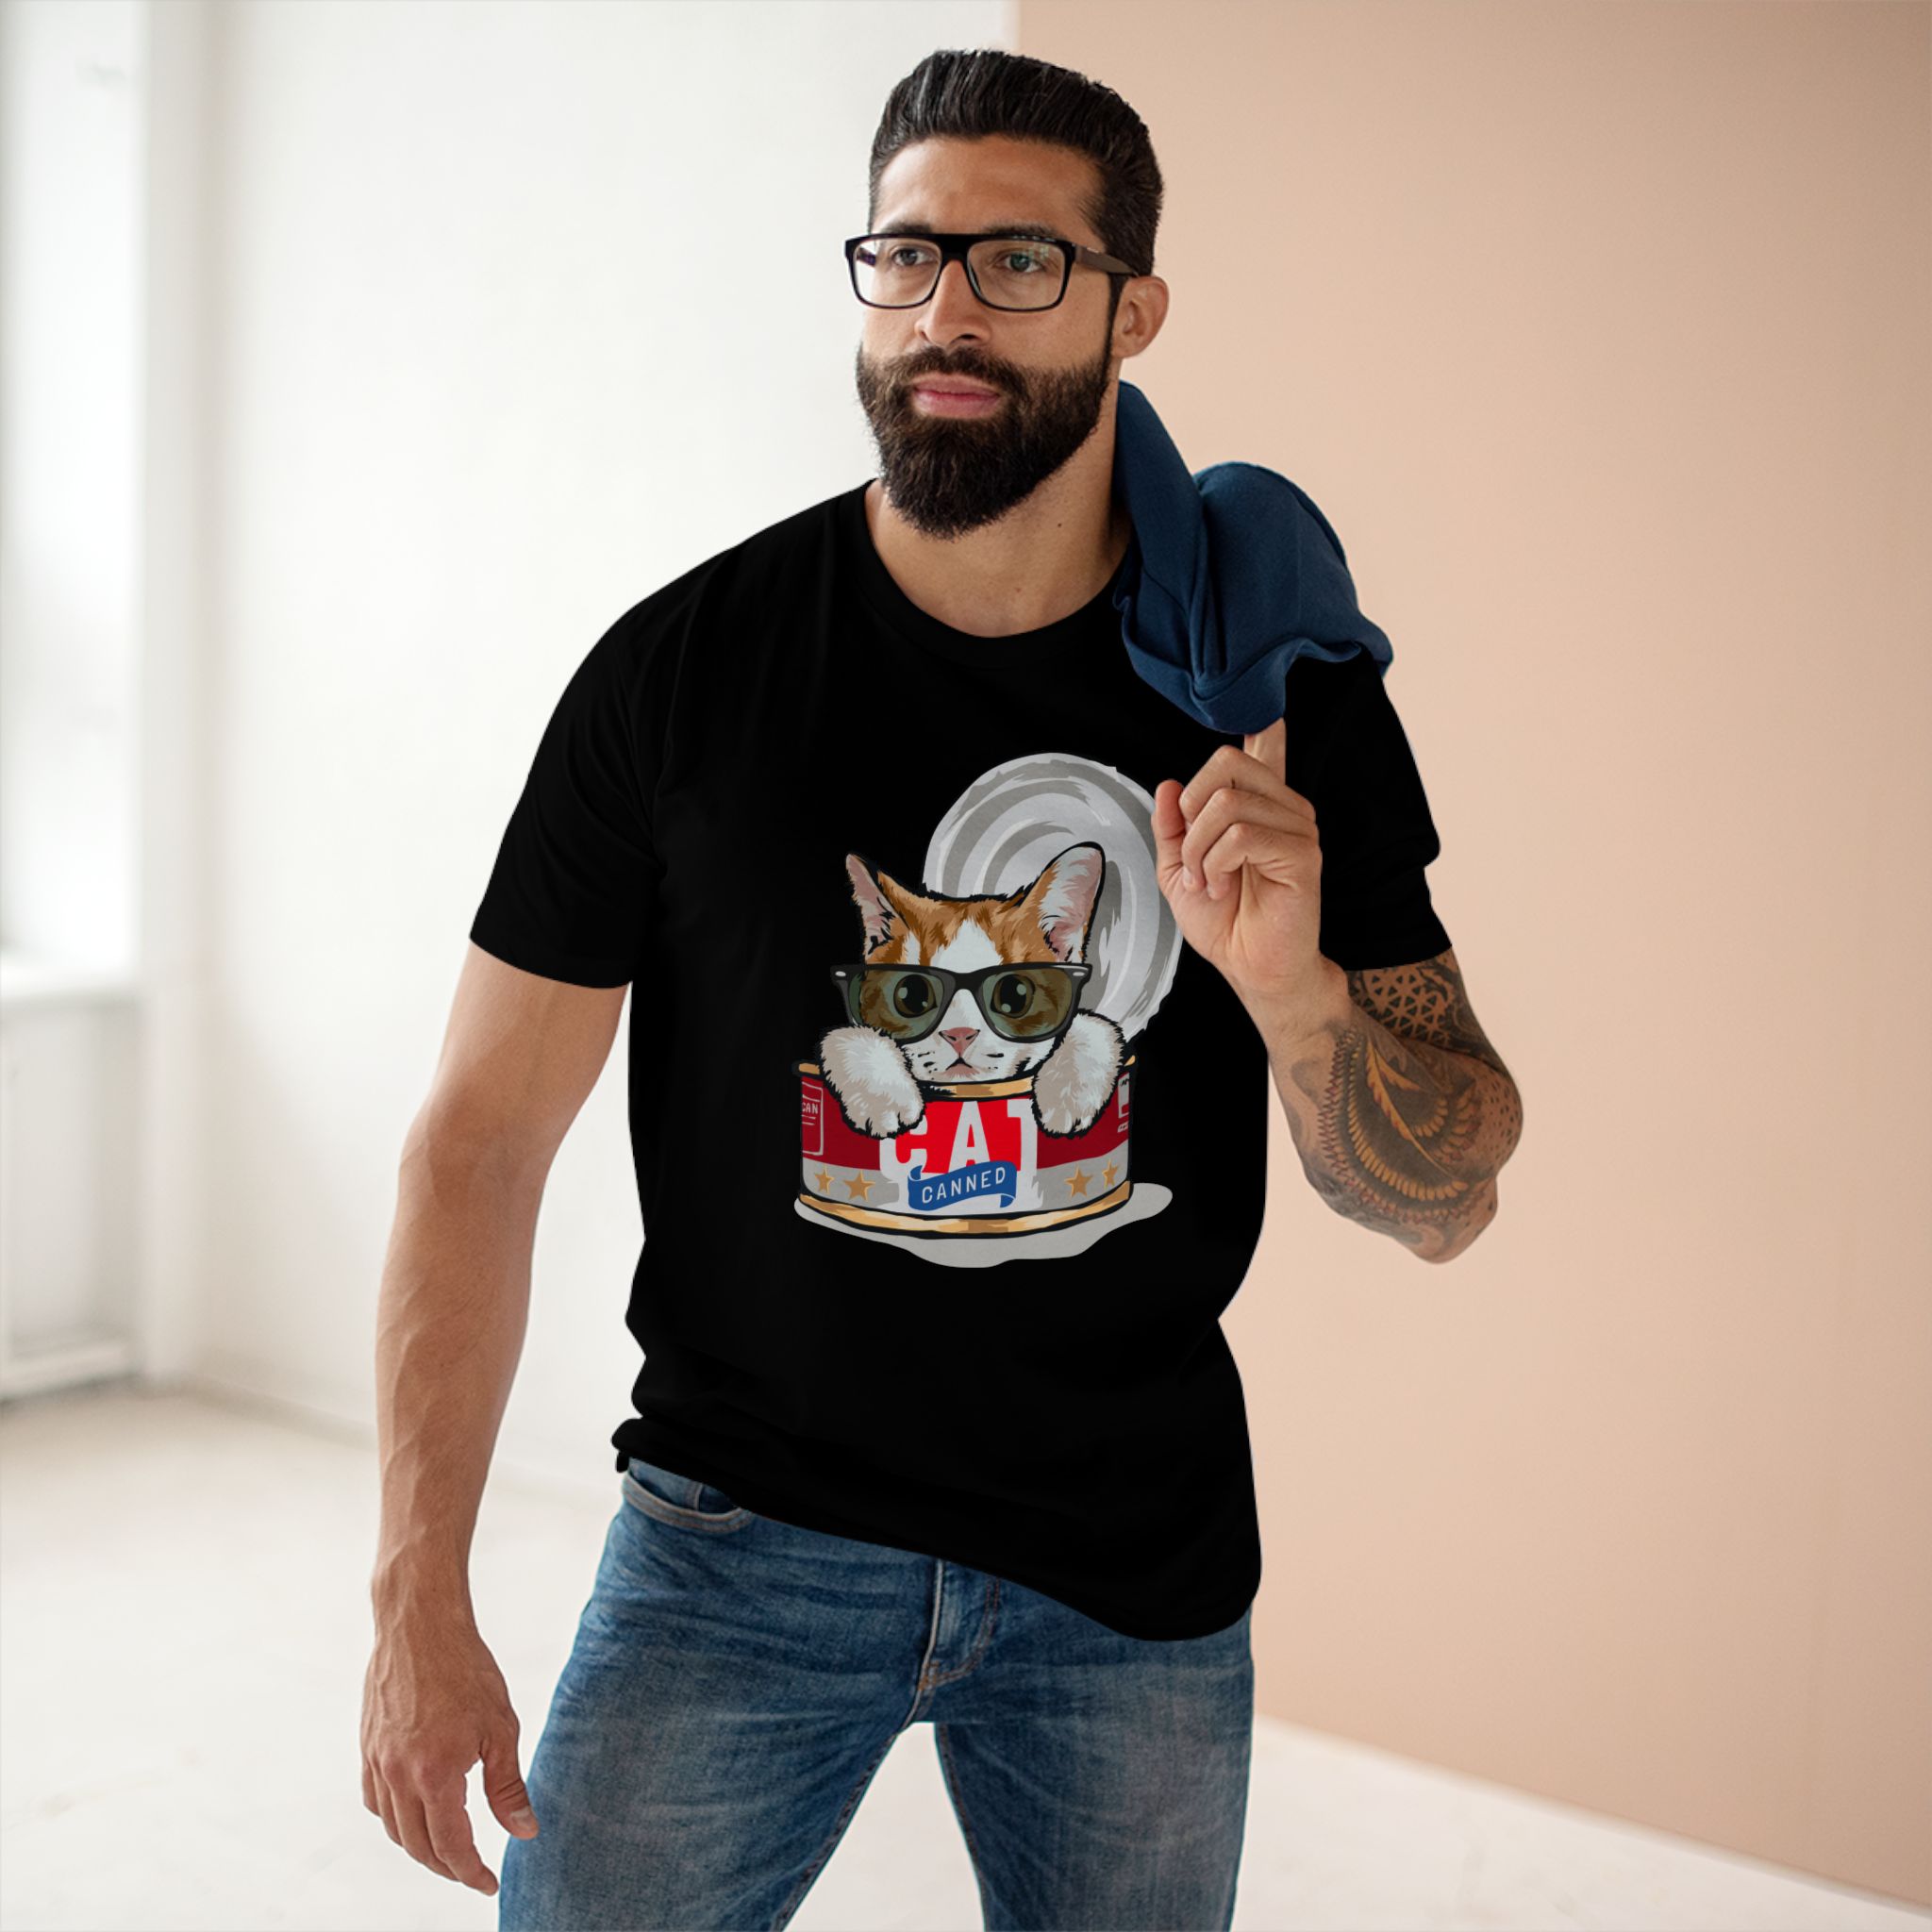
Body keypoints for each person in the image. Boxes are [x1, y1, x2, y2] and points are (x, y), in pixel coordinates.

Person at [359, 45, 1522, 1932]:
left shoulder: (1268, 698)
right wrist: (416, 1600)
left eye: (1018, 262)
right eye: (904, 256)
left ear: (1134, 310)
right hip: (739, 1545)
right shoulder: (684, 674)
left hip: (1125, 1576)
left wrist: (1293, 990)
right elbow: (476, 1143)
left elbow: (1449, 1191)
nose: (945, 311)